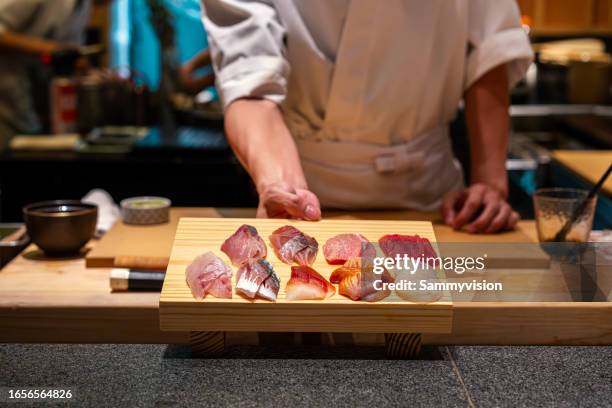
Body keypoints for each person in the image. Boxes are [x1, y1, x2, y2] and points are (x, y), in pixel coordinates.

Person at [200, 0, 533, 233]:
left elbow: (490, 52)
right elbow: (251, 86)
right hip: (299, 192)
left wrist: (490, 184)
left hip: (436, 207)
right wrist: (282, 188)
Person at [0, 0, 93, 148]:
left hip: (33, 107)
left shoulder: (83, 6)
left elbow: (70, 51)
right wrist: (48, 48)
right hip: (6, 102)